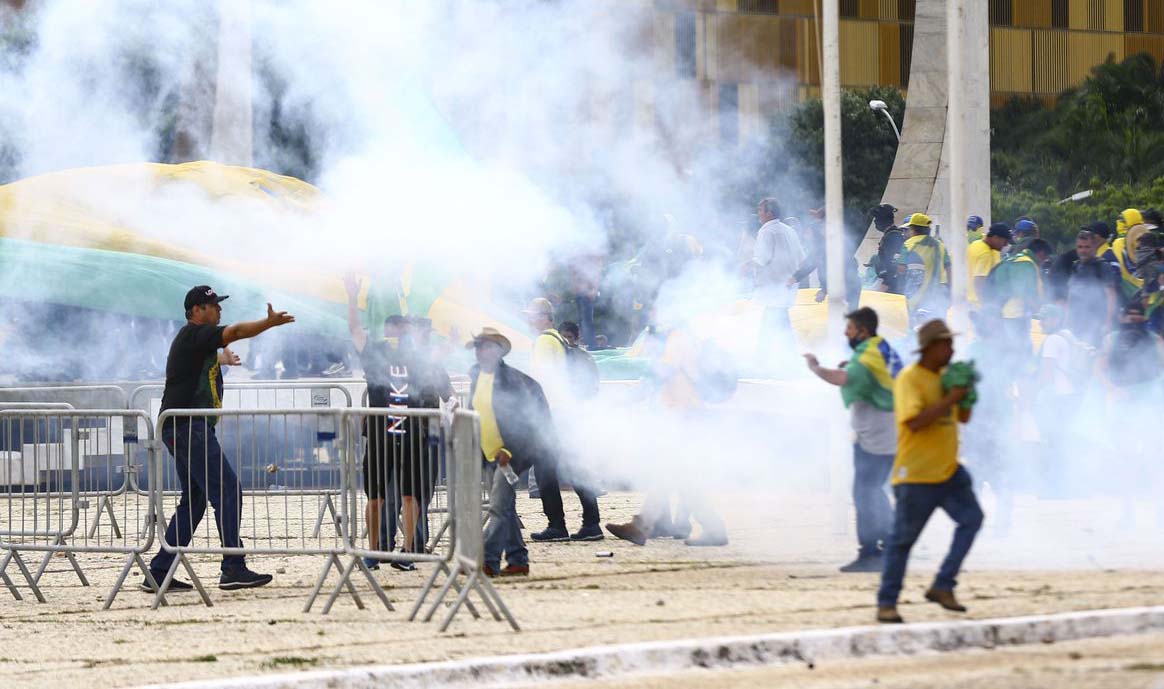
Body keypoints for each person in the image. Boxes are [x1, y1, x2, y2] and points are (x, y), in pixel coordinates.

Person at [144, 286, 295, 593]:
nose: (219, 310)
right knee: (227, 490)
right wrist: (268, 324)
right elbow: (237, 330)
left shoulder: (196, 343)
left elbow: (198, 364)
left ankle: (159, 572)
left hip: (183, 427)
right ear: (196, 311)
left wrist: (221, 360)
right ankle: (233, 567)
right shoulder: (194, 335)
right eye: (212, 305)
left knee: (196, 500)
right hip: (188, 427)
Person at [876, 320, 983, 624]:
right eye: (946, 344)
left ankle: (943, 584)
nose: (951, 350)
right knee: (902, 542)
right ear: (930, 348)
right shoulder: (911, 378)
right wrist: (951, 397)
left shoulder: (947, 377)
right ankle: (887, 603)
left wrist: (967, 396)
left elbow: (962, 418)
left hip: (949, 470)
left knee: (972, 520)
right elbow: (913, 422)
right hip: (917, 475)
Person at [344, 275, 450, 571]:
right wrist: (352, 297)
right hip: (380, 435)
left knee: (410, 495)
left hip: (411, 435)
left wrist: (448, 343)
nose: (398, 333)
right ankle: (375, 551)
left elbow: (436, 365)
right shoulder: (375, 352)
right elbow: (354, 329)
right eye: (395, 327)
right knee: (376, 497)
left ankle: (405, 552)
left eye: (402, 328)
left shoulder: (417, 357)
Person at [804, 307, 902, 572]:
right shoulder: (878, 347)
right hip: (886, 431)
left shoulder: (868, 354)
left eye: (849, 329)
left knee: (865, 493)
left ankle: (870, 553)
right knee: (874, 490)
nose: (846, 333)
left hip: (877, 434)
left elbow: (842, 378)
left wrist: (816, 368)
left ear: (863, 330)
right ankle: (894, 543)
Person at [468, 327, 559, 576]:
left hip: (509, 455)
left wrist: (509, 449)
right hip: (488, 453)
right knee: (505, 508)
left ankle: (488, 561)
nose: (480, 351)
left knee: (497, 508)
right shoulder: (476, 376)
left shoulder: (512, 381)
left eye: (485, 346)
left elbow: (523, 422)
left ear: (497, 351)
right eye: (477, 346)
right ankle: (519, 560)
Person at [523, 297, 603, 542]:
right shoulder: (558, 339)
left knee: (546, 470)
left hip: (552, 413)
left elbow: (542, 381)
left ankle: (557, 524)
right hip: (565, 411)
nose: (528, 318)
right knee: (575, 466)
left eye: (531, 314)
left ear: (542, 317)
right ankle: (591, 522)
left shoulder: (544, 341)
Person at [748, 198, 806, 354]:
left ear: (769, 213)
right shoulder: (789, 230)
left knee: (771, 321)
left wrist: (745, 266)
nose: (758, 214)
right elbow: (802, 259)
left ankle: (764, 357)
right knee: (779, 320)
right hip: (788, 286)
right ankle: (781, 356)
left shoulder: (766, 231)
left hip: (774, 287)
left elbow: (761, 259)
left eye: (760, 210)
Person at [987, 237, 1053, 356]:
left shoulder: (1014, 259)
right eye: (1045, 258)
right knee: (1018, 352)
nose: (1044, 262)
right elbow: (1025, 293)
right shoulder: (1026, 263)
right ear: (1041, 254)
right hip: (1015, 317)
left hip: (1006, 314)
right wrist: (1040, 311)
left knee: (1013, 350)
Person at [1067, 230, 1120, 347]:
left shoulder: (1102, 266)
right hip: (1078, 321)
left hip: (1097, 322)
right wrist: (1068, 318)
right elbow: (1071, 293)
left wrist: (1108, 322)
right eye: (1080, 247)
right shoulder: (1076, 265)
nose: (1083, 250)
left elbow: (1111, 295)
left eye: (1087, 247)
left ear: (1094, 247)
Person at [895, 213, 950, 325]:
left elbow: (901, 269)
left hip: (916, 293)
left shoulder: (908, 244)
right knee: (937, 325)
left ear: (913, 229)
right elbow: (949, 269)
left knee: (916, 326)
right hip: (938, 293)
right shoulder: (940, 245)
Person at [966, 223, 1009, 311]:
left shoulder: (975, 244)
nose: (1005, 245)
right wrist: (986, 308)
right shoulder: (985, 254)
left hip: (970, 300)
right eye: (1005, 241)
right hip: (980, 305)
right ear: (996, 238)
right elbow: (979, 281)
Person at [869, 203, 903, 293]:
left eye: (877, 218)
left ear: (883, 219)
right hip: (888, 282)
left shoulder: (893, 236)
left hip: (891, 286)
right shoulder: (891, 235)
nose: (875, 221)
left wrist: (885, 284)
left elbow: (894, 263)